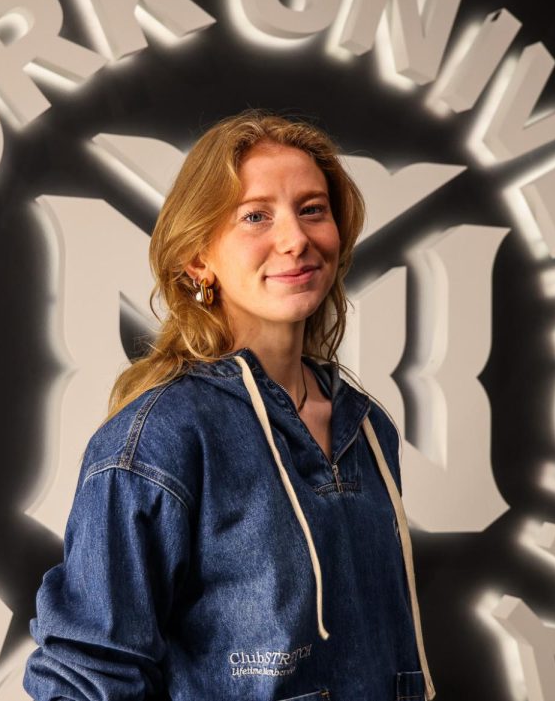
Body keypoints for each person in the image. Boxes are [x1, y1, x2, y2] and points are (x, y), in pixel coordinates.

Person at [23, 110, 437, 701]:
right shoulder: (158, 438)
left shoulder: (367, 428)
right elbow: (88, 679)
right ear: (198, 258)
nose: (295, 238)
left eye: (313, 209)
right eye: (256, 216)